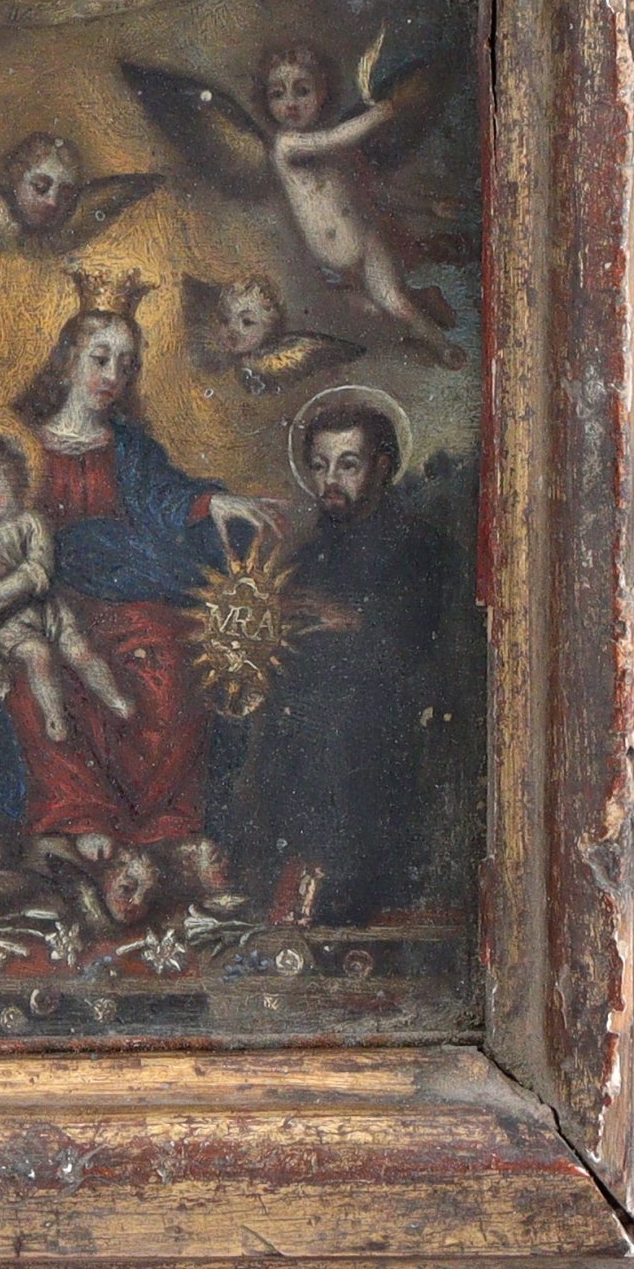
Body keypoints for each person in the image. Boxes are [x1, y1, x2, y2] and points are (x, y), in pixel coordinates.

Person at [0, 274, 274, 893]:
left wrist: (211, 503)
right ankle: (78, 818)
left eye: (126, 364)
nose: (113, 374)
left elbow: (167, 498)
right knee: (40, 674)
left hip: (123, 597)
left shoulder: (130, 447)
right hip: (39, 602)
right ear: (68, 359)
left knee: (172, 665)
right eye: (101, 357)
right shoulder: (18, 445)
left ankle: (163, 828)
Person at [238, 397, 466, 926]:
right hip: (305, 716)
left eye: (347, 465)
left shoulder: (424, 548)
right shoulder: (306, 556)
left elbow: (429, 645)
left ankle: (338, 888)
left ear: (382, 468)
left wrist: (352, 620)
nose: (330, 481)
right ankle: (285, 885)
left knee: (341, 733)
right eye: (319, 466)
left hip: (383, 717)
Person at [0, 430, 134, 746]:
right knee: (37, 654)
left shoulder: (32, 523)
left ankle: (115, 699)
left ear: (13, 476)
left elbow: (36, 572)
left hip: (48, 611)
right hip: (10, 621)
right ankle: (54, 716)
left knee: (80, 651)